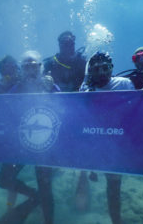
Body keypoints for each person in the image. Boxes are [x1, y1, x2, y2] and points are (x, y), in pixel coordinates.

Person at [0, 50, 59, 224]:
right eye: (26, 67)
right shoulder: (17, 87)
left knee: (45, 187)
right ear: (22, 70)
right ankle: (35, 196)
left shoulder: (48, 84)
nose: (31, 71)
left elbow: (67, 104)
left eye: (34, 66)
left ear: (41, 67)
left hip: (45, 145)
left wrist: (52, 88)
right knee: (3, 180)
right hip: (20, 144)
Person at [80, 51, 138, 224]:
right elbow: (78, 115)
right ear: (91, 72)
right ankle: (88, 170)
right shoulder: (86, 88)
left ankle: (116, 221)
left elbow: (139, 111)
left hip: (117, 143)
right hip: (94, 142)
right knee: (87, 170)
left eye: (105, 68)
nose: (102, 73)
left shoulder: (124, 83)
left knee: (113, 186)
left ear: (112, 68)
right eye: (97, 69)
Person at [44, 31, 91, 211]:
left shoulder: (83, 61)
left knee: (81, 150)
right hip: (55, 114)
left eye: (71, 43)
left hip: (80, 113)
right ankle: (53, 172)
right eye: (64, 42)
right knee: (55, 147)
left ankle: (82, 177)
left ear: (74, 44)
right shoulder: (49, 63)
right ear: (59, 44)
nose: (68, 45)